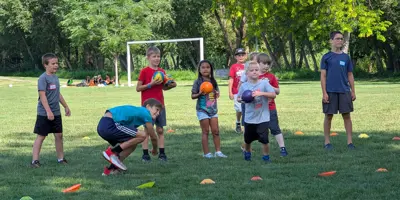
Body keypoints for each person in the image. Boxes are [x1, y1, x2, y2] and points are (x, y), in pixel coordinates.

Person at [98, 98, 161, 175]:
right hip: (110, 124)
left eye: (159, 112)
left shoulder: (137, 113)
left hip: (103, 125)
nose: (158, 113)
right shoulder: (146, 113)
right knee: (142, 135)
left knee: (133, 143)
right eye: (157, 109)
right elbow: (153, 137)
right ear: (148, 107)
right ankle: (112, 152)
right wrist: (155, 150)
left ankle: (112, 169)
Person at [136, 46, 177, 162]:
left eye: (158, 56)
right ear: (148, 57)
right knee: (147, 130)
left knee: (160, 130)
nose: (156, 59)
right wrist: (151, 84)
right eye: (154, 56)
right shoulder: (144, 71)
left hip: (160, 105)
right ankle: (145, 154)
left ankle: (162, 153)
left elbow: (164, 87)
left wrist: (171, 85)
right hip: (147, 107)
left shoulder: (162, 72)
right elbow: (138, 88)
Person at [31, 53, 71, 168]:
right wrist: (48, 111)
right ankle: (35, 161)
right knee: (41, 136)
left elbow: (57, 94)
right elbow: (42, 96)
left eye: (57, 63)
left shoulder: (55, 77)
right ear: (45, 65)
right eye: (53, 64)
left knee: (59, 135)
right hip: (44, 113)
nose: (56, 66)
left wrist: (66, 106)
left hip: (56, 112)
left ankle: (60, 159)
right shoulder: (43, 78)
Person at [320, 31, 356, 150]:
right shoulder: (326, 57)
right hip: (330, 91)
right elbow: (323, 76)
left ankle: (350, 142)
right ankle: (327, 142)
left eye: (341, 39)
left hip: (344, 91)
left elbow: (350, 75)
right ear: (331, 41)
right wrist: (324, 93)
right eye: (337, 39)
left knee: (347, 116)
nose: (340, 41)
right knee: (328, 116)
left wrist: (353, 91)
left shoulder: (346, 57)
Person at [238, 61, 276, 162]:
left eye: (256, 70)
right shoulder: (244, 86)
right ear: (246, 73)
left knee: (264, 139)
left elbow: (273, 94)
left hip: (263, 117)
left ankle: (266, 157)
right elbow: (238, 98)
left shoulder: (264, 83)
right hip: (249, 118)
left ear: (260, 72)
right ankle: (247, 152)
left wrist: (261, 93)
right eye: (252, 70)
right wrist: (244, 99)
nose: (254, 72)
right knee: (248, 139)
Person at [191, 60, 227, 158]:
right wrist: (199, 93)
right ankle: (206, 153)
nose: (205, 69)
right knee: (205, 131)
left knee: (215, 131)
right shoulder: (198, 82)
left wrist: (217, 94)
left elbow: (217, 94)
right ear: (199, 69)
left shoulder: (213, 81)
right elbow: (193, 96)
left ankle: (218, 152)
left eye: (208, 67)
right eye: (203, 67)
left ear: (211, 69)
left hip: (213, 110)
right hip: (202, 110)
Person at [229, 48, 247, 133]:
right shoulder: (234, 67)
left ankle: (247, 125)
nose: (241, 57)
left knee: (247, 109)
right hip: (237, 91)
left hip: (247, 91)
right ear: (235, 57)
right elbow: (231, 79)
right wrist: (230, 92)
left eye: (242, 55)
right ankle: (238, 122)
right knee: (239, 109)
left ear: (246, 56)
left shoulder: (248, 66)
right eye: (238, 55)